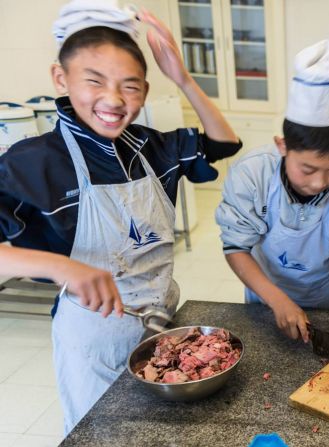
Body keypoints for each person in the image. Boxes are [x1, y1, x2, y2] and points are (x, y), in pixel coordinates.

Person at [0, 2, 241, 432]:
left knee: (164, 434)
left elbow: (225, 143)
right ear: (61, 78)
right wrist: (62, 267)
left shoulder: (150, 147)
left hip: (162, 323)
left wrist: (182, 78)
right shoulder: (32, 162)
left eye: (130, 86)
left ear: (145, 92)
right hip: (93, 337)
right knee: (106, 435)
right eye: (94, 81)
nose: (114, 100)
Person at [215, 40, 329, 365]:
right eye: (307, 169)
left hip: (327, 301)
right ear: (282, 146)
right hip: (264, 298)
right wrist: (277, 300)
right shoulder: (252, 173)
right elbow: (236, 246)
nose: (319, 182)